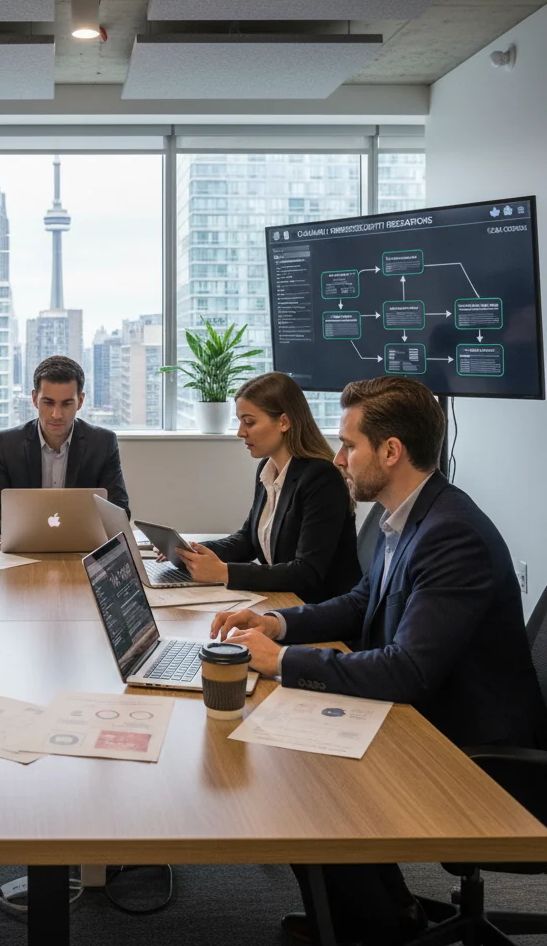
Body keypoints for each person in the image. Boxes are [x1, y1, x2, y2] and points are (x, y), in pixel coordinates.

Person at [209, 376, 547, 945]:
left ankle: (375, 926)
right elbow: (364, 599)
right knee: (293, 752)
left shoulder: (449, 533)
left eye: (350, 445)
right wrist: (277, 624)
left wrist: (281, 662)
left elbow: (405, 670)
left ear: (391, 452)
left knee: (307, 774)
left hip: (476, 756)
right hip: (429, 719)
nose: (338, 458)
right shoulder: (408, 514)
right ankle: (378, 917)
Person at [175, 372, 360, 601]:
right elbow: (247, 540)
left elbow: (307, 573)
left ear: (284, 422)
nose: (240, 432)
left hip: (318, 612)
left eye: (249, 422)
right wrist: (190, 551)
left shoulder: (321, 478)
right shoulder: (269, 468)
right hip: (282, 602)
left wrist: (224, 572)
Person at [0, 355, 129, 533]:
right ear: (35, 399)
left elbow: (120, 511)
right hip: (23, 549)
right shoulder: (8, 444)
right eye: (48, 402)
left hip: (81, 548)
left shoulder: (102, 444)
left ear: (80, 401)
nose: (56, 414)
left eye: (67, 404)